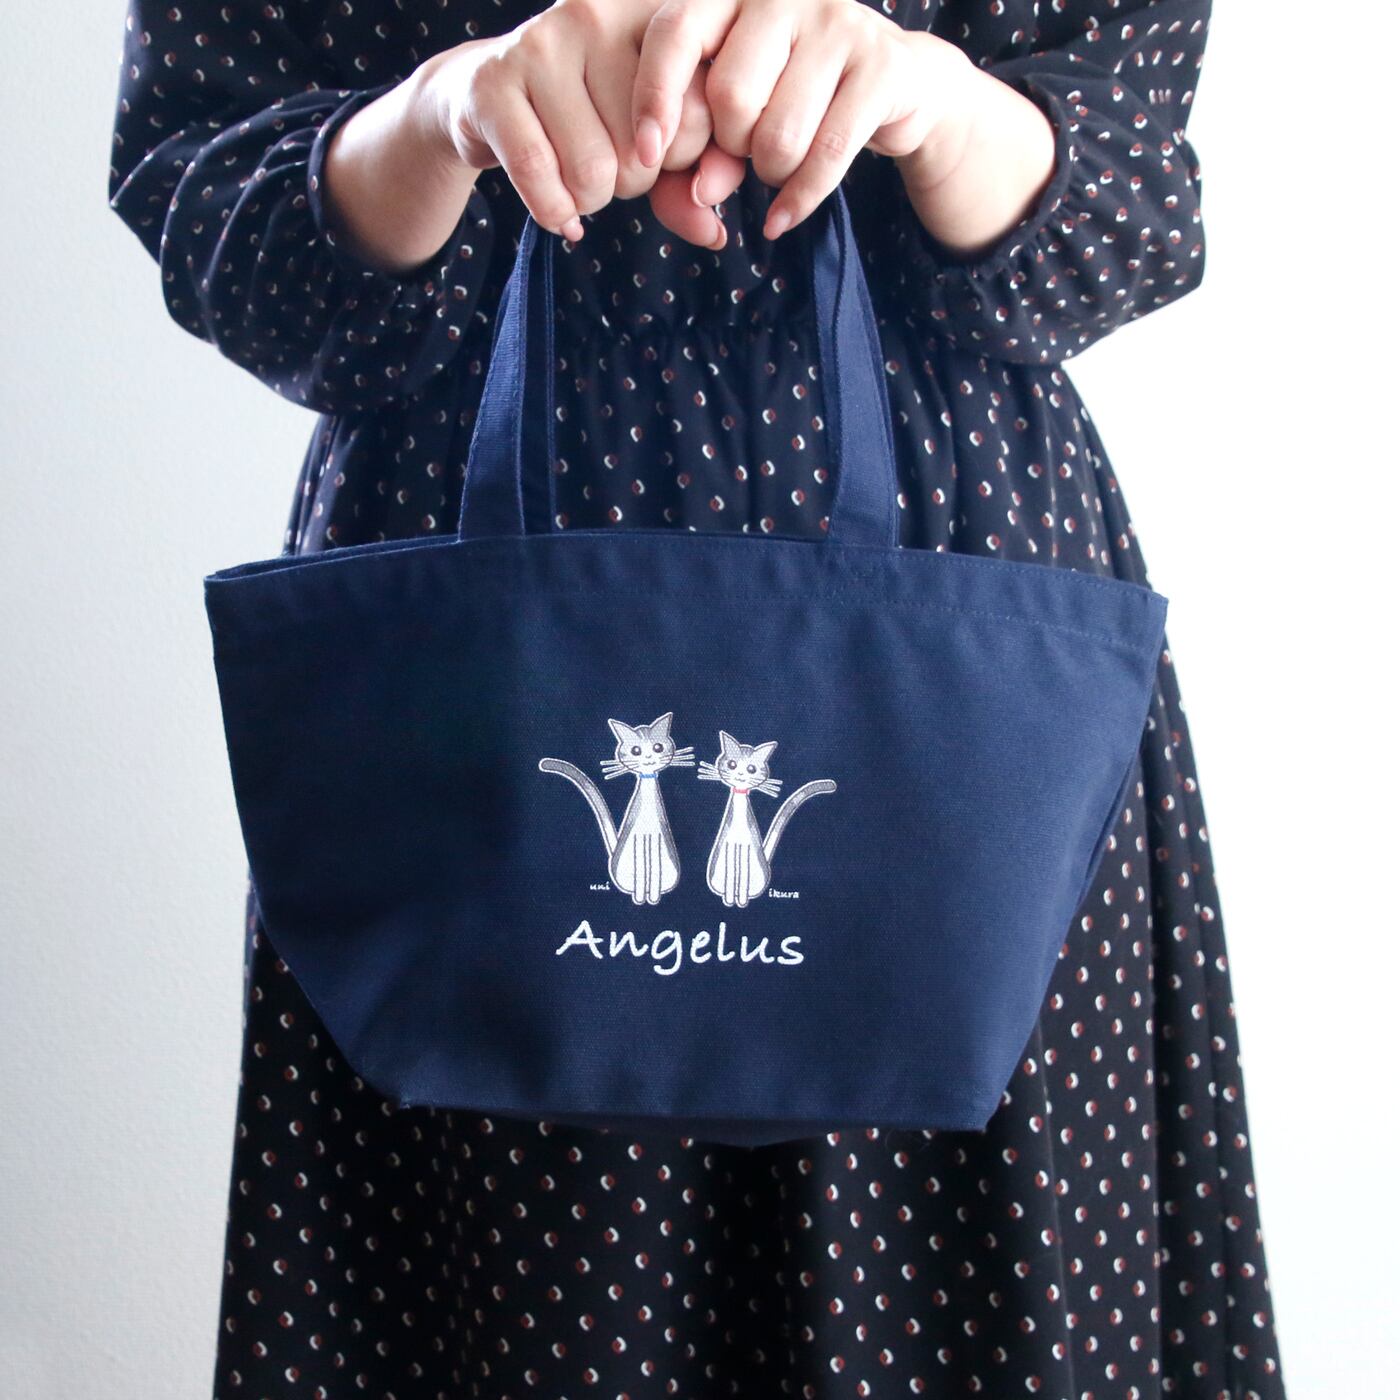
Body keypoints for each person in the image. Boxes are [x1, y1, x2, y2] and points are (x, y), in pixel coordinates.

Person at [109, 1, 1287, 1394]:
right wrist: (449, 112)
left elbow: (1134, 200)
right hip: (484, 670)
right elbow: (212, 200)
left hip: (948, 681)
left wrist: (931, 102)